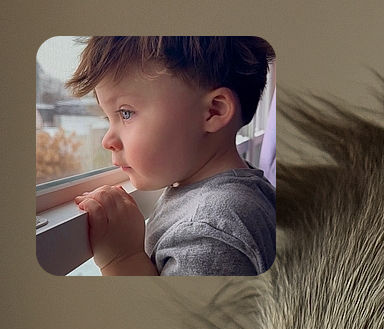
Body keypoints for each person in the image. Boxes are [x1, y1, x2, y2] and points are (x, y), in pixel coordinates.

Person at [66, 36, 276, 276]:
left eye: (125, 113)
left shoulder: (208, 233)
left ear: (213, 111)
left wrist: (122, 259)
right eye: (108, 118)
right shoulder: (244, 189)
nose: (106, 141)